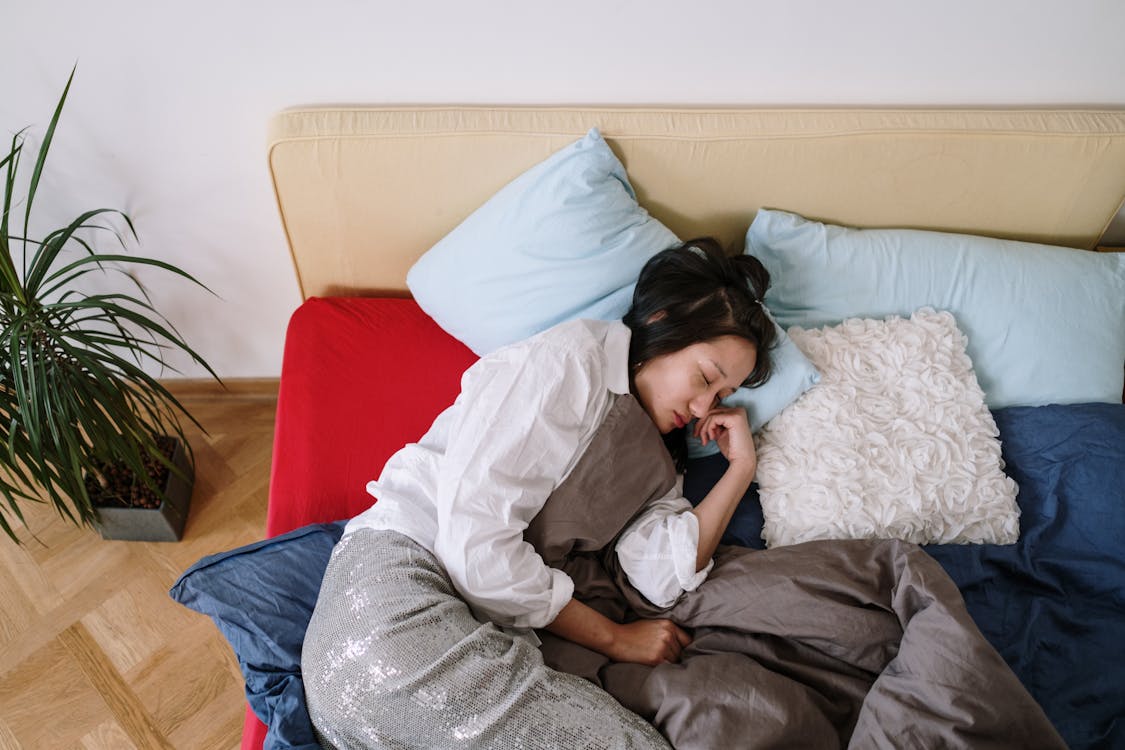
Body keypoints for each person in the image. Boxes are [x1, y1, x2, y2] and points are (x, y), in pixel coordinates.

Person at [301, 237, 777, 749]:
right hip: (400, 591)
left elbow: (662, 577)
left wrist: (740, 468)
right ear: (662, 322)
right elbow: (477, 551)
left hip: (480, 628)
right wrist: (616, 639)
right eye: (705, 377)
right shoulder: (572, 363)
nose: (706, 406)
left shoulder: (658, 456)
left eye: (723, 396)